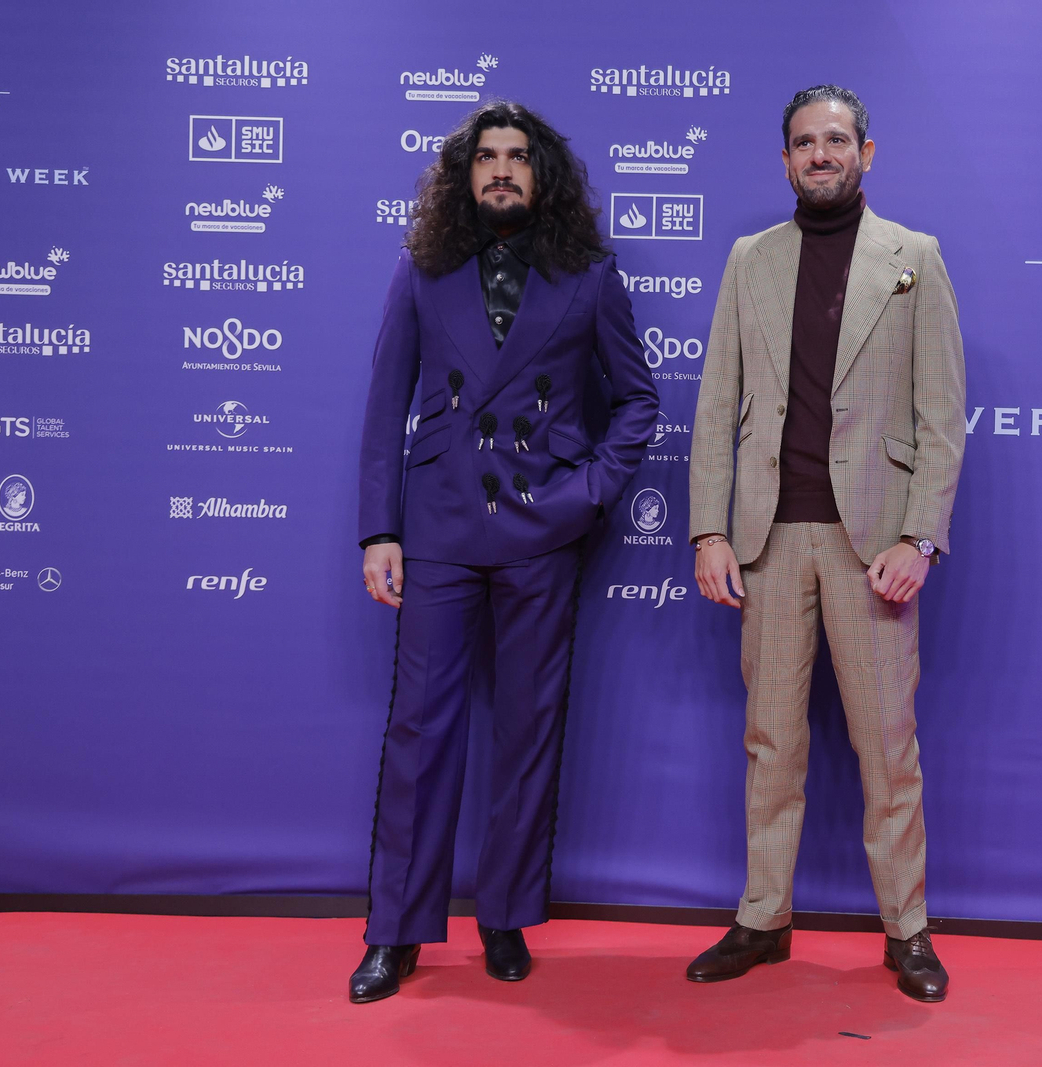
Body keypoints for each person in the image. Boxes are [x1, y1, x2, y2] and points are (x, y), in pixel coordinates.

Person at [351, 101, 657, 1003]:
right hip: (440, 525)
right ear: (463, 173)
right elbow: (385, 406)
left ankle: (505, 914)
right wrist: (381, 529)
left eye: (518, 157)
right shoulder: (422, 269)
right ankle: (396, 930)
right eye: (486, 157)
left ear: (542, 173)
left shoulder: (590, 275)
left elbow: (637, 401)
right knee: (419, 730)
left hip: (541, 530)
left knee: (529, 729)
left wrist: (585, 492)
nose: (501, 171)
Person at [686, 85, 966, 1002]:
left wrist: (921, 539)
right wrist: (709, 528)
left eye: (836, 140)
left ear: (867, 153)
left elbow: (942, 423)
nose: (821, 154)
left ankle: (908, 929)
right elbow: (714, 408)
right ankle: (764, 917)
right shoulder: (748, 260)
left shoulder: (914, 259)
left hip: (872, 545)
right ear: (785, 160)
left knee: (888, 745)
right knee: (771, 742)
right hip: (767, 540)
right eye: (805, 142)